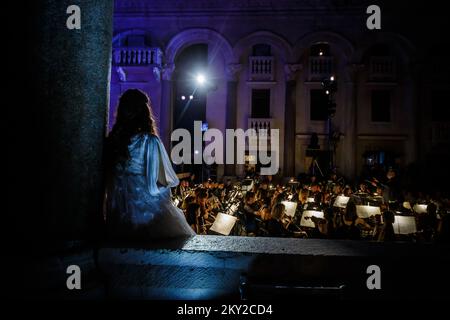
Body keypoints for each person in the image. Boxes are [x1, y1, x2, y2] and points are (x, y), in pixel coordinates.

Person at [104, 89, 195, 239]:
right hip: (146, 217)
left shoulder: (112, 142)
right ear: (145, 112)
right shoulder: (149, 141)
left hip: (118, 218)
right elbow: (161, 181)